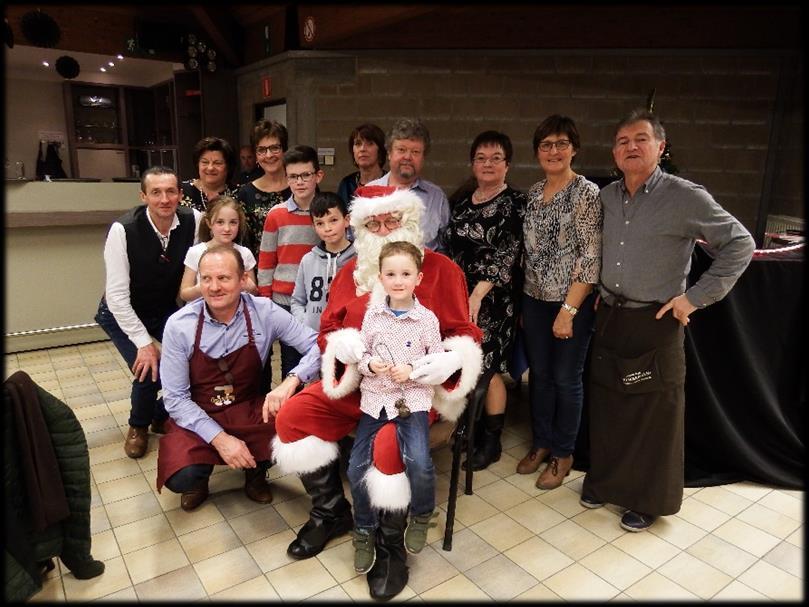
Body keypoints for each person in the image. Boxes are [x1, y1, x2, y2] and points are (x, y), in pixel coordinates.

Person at [272, 185, 483, 600]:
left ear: (412, 222)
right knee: (291, 419)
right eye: (374, 222)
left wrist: (449, 360)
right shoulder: (351, 274)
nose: (384, 229)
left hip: (411, 394)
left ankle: (390, 546)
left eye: (393, 220)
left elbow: (465, 333)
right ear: (362, 228)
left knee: (389, 448)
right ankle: (331, 512)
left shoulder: (441, 270)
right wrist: (341, 345)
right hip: (356, 389)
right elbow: (329, 331)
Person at [581, 109, 755, 532]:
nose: (631, 147)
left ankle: (648, 499)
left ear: (661, 147)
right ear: (614, 152)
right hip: (610, 316)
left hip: (656, 320)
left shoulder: (684, 196)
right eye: (622, 141)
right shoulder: (607, 196)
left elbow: (740, 244)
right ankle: (604, 482)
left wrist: (693, 299)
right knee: (609, 405)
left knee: (655, 413)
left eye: (641, 139)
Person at [156, 245, 321, 511]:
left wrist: (293, 379)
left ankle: (255, 472)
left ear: (243, 279)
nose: (214, 287)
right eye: (206, 279)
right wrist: (221, 439)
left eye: (223, 278)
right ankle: (198, 478)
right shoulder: (180, 325)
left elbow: (319, 345)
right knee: (180, 476)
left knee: (300, 429)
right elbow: (175, 400)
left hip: (248, 409)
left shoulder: (263, 311)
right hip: (198, 414)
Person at [516, 115, 602, 490]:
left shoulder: (586, 193)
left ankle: (564, 453)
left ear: (574, 149)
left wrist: (568, 311)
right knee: (541, 376)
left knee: (567, 379)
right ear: (537, 152)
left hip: (572, 302)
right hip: (534, 299)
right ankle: (542, 442)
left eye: (561, 144)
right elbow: (528, 254)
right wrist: (524, 305)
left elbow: (590, 256)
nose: (553, 151)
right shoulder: (534, 194)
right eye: (546, 145)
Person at [94, 166, 202, 459]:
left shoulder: (194, 221)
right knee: (149, 368)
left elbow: (196, 273)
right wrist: (144, 343)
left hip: (165, 308)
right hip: (121, 312)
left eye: (170, 191)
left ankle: (159, 414)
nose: (164, 199)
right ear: (144, 196)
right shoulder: (123, 230)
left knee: (191, 363)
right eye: (156, 192)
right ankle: (138, 426)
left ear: (181, 195)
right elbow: (116, 297)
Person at [349, 241, 443, 574]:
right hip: (375, 400)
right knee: (356, 468)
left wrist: (413, 370)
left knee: (418, 459)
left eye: (405, 274)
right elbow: (360, 354)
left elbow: (439, 361)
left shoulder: (426, 320)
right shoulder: (372, 315)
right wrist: (370, 364)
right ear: (381, 278)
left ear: (418, 278)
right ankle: (363, 529)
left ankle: (421, 514)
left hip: (412, 400)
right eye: (391, 274)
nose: (398, 280)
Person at [442, 130, 526, 471]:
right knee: (463, 363)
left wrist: (478, 292)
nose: (488, 164)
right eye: (481, 158)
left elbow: (509, 253)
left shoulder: (515, 203)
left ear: (507, 164)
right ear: (472, 164)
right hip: (458, 298)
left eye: (496, 158)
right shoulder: (462, 200)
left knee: (486, 369)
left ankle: (491, 441)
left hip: (492, 301)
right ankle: (469, 429)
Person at [257, 145, 323, 377]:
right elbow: (266, 262)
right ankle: (289, 411)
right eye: (294, 176)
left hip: (318, 300)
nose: (300, 182)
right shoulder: (276, 214)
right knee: (290, 364)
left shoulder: (326, 214)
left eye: (306, 175)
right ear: (287, 179)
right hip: (283, 301)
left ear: (318, 175)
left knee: (320, 361)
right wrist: (266, 301)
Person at [367, 118, 450, 252]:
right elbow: (356, 242)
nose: (408, 157)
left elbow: (445, 247)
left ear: (423, 158)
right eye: (401, 149)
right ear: (389, 153)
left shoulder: (437, 198)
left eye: (415, 152)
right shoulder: (368, 194)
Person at [290, 191, 356, 332]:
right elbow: (297, 301)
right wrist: (305, 325)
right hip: (313, 338)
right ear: (313, 227)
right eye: (320, 223)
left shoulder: (360, 258)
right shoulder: (308, 260)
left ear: (346, 220)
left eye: (333, 220)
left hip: (348, 339)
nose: (328, 228)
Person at [179, 196, 258, 302]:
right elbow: (184, 294)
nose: (227, 228)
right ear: (209, 223)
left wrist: (250, 287)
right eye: (220, 222)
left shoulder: (245, 253)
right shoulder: (195, 252)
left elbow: (252, 294)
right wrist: (203, 287)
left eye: (233, 222)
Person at [236, 119, 293, 258]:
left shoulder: (301, 185)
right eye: (261, 150)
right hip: (260, 271)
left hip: (301, 268)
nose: (268, 155)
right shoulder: (245, 193)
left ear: (284, 150)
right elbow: (243, 242)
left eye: (274, 148)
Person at [179, 137, 238, 212]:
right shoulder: (181, 191)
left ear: (228, 166)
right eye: (205, 162)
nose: (210, 168)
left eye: (217, 163)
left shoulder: (240, 194)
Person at [337, 123, 386, 204]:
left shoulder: (390, 182)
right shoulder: (346, 184)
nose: (362, 149)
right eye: (358, 144)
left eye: (369, 143)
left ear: (380, 151)